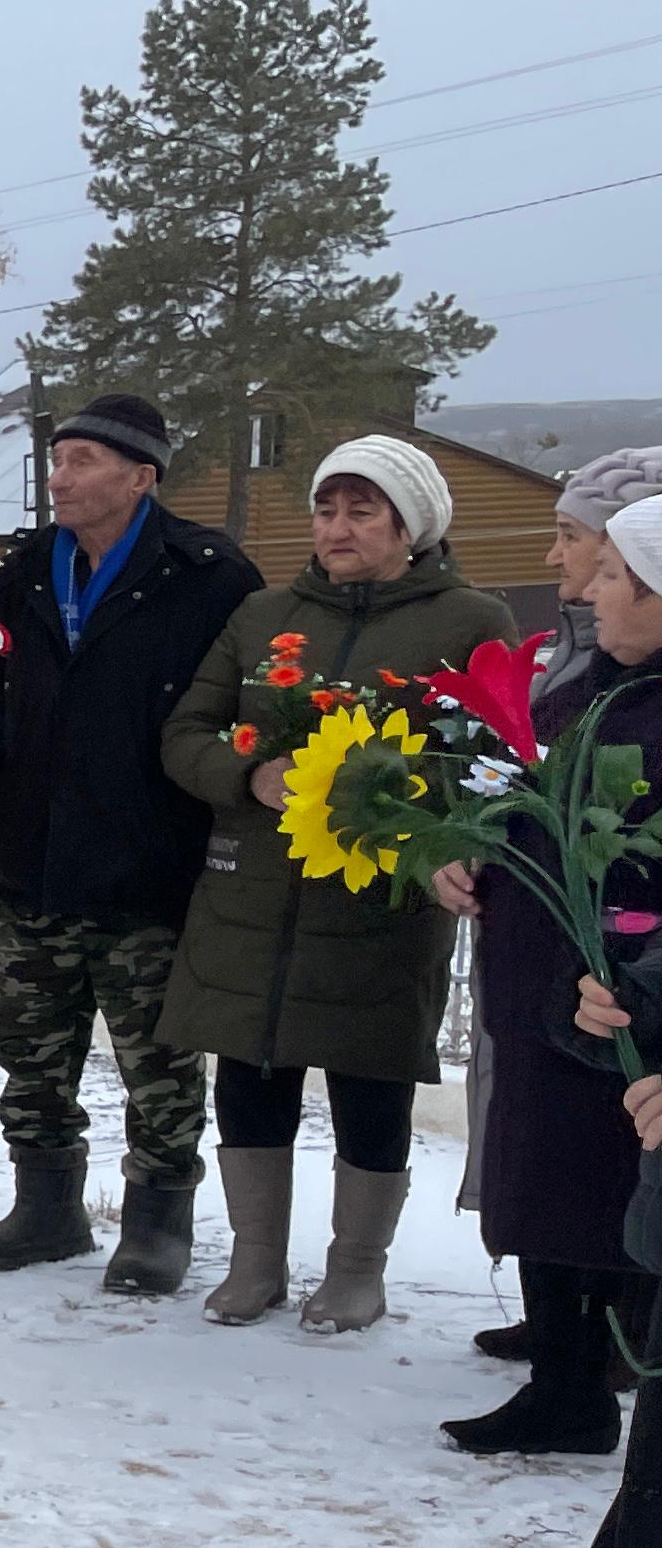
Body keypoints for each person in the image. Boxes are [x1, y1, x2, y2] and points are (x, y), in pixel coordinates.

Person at [159, 437, 512, 1332]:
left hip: (379, 897)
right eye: (327, 510)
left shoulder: (469, 620)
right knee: (248, 1071)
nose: (338, 528)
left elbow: (491, 763)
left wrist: (400, 810)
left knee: (370, 1080)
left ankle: (357, 1270)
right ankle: (255, 1262)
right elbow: (187, 730)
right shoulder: (262, 615)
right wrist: (249, 775)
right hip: (255, 893)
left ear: (410, 527)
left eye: (363, 512)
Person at [0, 393, 258, 1292]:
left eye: (84, 460)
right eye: (59, 460)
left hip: (145, 860)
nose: (62, 477)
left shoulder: (207, 576)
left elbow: (238, 710)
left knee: (156, 1057)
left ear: (140, 476)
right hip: (34, 851)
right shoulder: (19, 572)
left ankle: (158, 1221)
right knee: (29, 1041)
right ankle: (45, 1207)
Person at [435, 452, 662, 1450]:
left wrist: (627, 963)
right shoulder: (599, 683)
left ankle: (581, 1381)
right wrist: (464, 853)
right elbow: (512, 783)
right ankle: (562, 1357)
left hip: (609, 998)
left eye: (615, 573)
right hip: (545, 985)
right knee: (548, 1173)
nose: (595, 584)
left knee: (590, 1181)